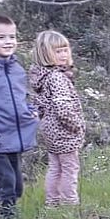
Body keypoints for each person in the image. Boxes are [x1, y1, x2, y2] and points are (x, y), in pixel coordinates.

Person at [0, 14, 39, 219]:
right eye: (1, 37)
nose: (8, 41)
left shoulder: (17, 68)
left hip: (15, 139)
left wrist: (30, 111)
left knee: (17, 184)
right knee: (5, 186)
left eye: (12, 36)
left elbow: (20, 97)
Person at [29, 30, 85, 207]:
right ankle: (69, 203)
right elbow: (64, 110)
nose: (63, 55)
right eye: (57, 51)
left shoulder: (43, 76)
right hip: (64, 131)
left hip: (50, 131)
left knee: (55, 167)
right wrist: (78, 127)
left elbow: (39, 104)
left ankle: (52, 203)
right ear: (45, 54)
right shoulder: (57, 78)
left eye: (65, 50)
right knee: (69, 168)